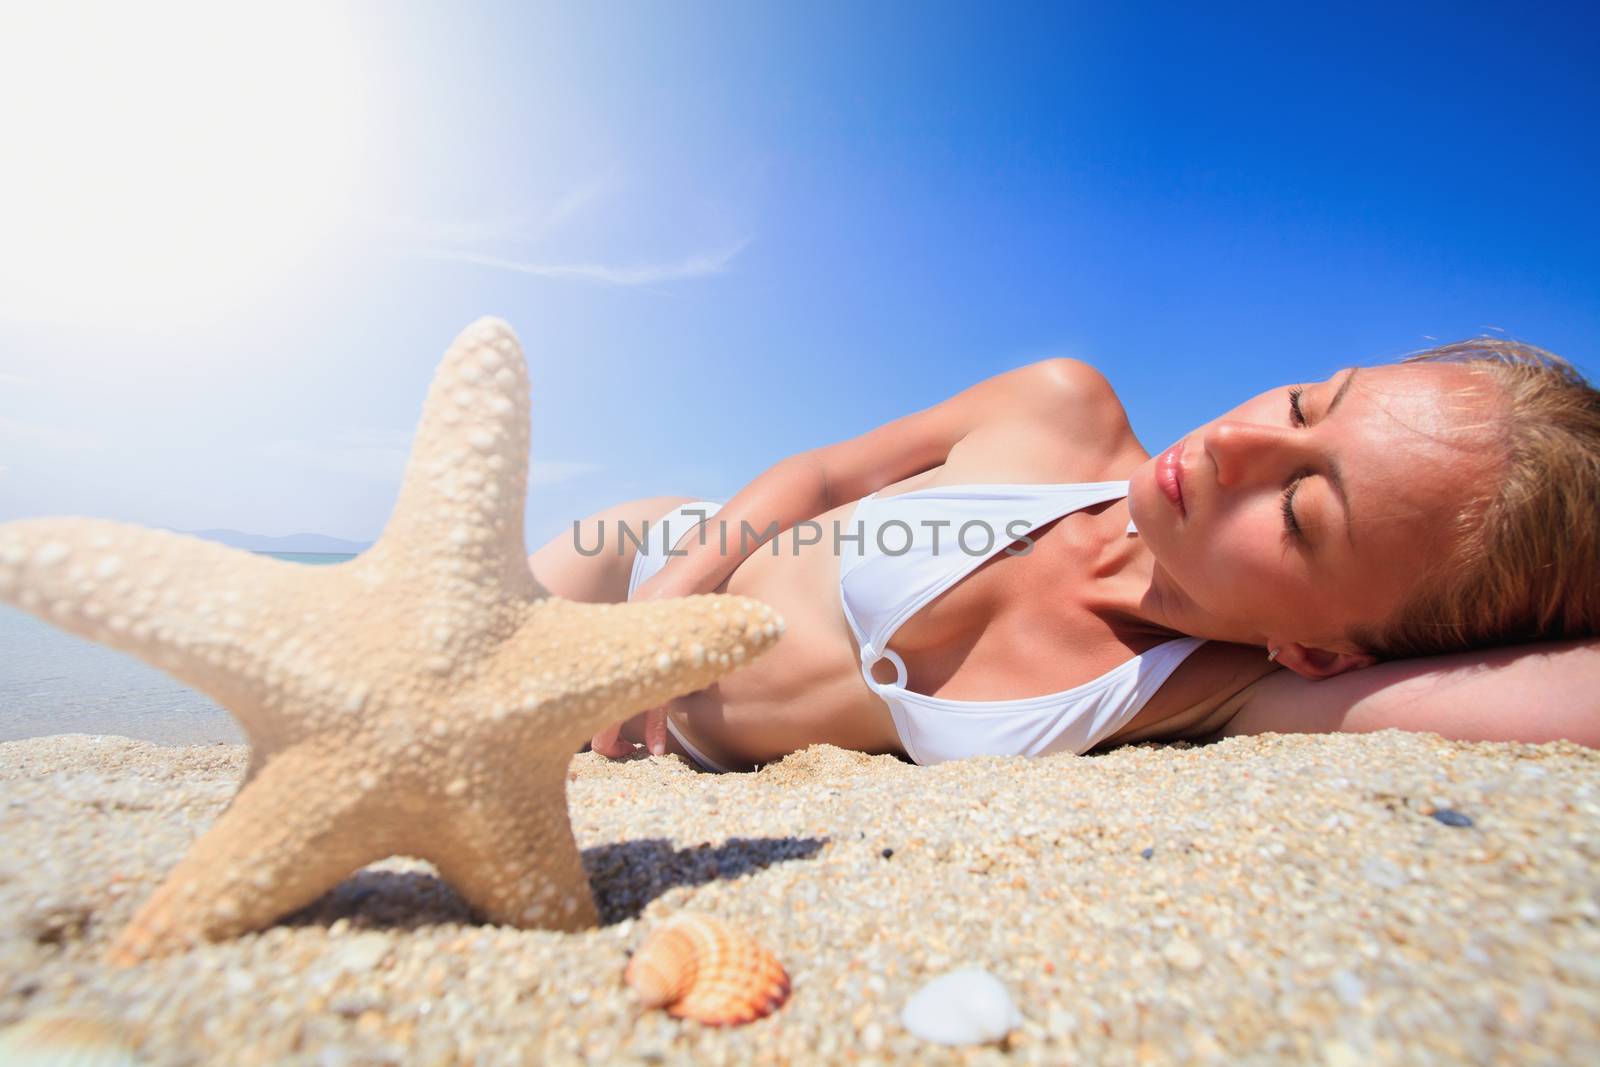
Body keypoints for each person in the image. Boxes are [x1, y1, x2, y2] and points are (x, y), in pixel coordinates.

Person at [529, 339, 1600, 773]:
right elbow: (816, 477)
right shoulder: (1061, 410)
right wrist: (657, 610)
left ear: (1320, 650)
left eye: (1299, 509)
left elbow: (1564, 693)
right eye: (1306, 403)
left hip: (681, 751)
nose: (1234, 442)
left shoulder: (1218, 693)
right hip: (637, 564)